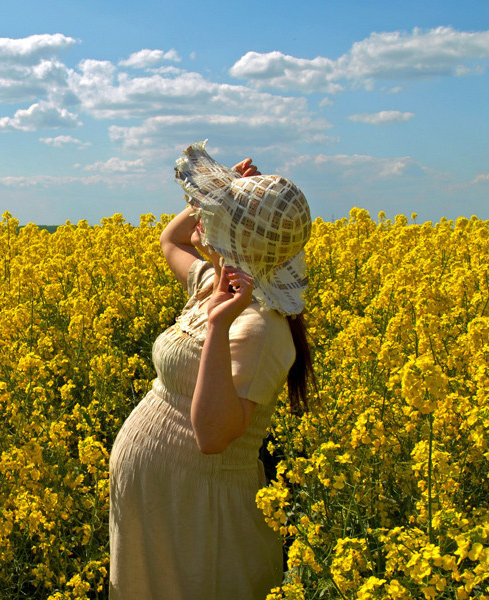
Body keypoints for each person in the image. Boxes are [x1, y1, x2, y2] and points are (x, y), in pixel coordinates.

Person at [109, 140, 316, 599]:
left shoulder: (258, 326)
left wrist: (219, 327)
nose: (202, 216)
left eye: (216, 213)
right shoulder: (212, 285)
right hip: (160, 499)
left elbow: (212, 436)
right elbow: (171, 240)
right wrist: (225, 191)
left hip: (197, 510)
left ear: (237, 239)